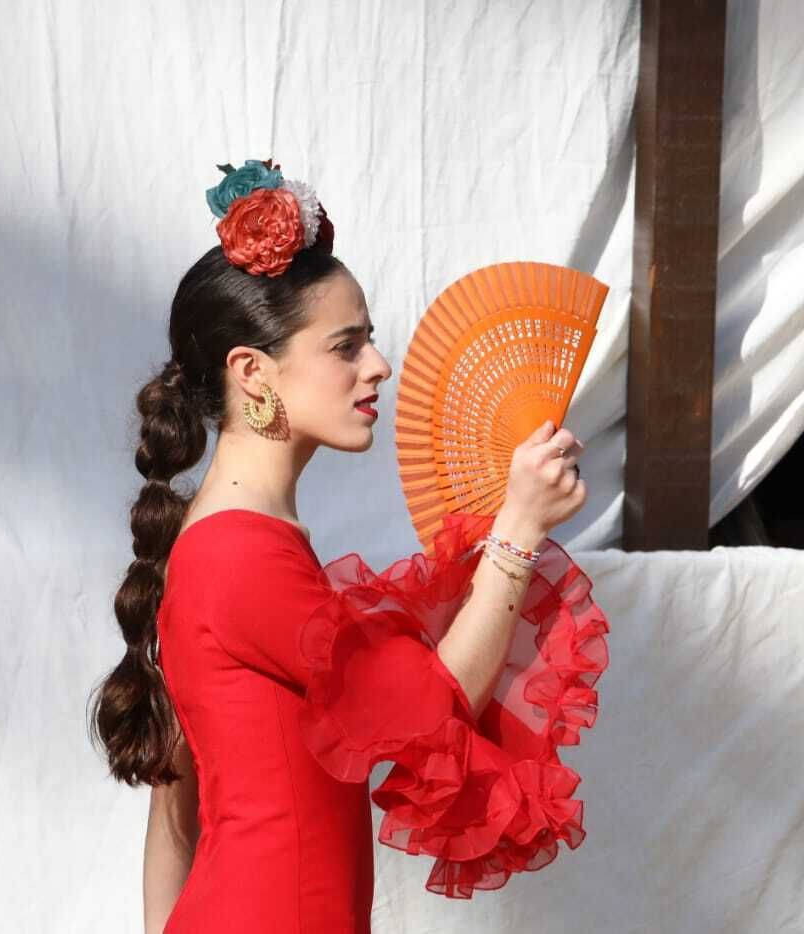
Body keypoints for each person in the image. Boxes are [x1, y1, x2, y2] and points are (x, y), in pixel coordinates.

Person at [92, 161, 609, 933]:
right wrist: (518, 532)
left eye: (369, 341)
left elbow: (176, 785)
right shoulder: (240, 556)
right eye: (345, 346)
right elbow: (431, 713)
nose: (378, 366)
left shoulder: (228, 540)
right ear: (253, 373)